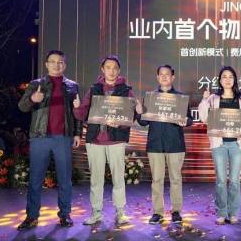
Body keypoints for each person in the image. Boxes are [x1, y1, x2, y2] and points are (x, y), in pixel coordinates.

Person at [16, 49, 82, 230]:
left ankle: (65, 215)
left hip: (63, 138)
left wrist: (77, 133)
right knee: (36, 178)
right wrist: (33, 99)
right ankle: (32, 216)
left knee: (65, 179)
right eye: (52, 61)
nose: (56, 65)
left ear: (64, 65)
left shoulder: (72, 86)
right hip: (40, 137)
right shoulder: (36, 84)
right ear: (46, 64)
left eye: (60, 62)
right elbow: (22, 106)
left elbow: (77, 113)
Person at [73, 55, 140, 227]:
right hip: (95, 139)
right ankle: (96, 213)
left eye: (115, 68)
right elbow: (82, 114)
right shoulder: (94, 89)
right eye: (108, 67)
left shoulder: (126, 90)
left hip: (116, 140)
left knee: (118, 178)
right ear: (102, 69)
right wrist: (77, 107)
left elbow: (131, 117)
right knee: (96, 179)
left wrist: (122, 122)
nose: (111, 71)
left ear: (119, 70)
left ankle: (120, 212)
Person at [138, 65, 193, 225]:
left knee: (176, 179)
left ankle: (176, 211)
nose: (164, 77)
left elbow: (189, 119)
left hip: (175, 144)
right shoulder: (151, 97)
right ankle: (157, 212)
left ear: (172, 77)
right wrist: (139, 112)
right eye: (161, 74)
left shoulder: (180, 98)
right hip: (155, 144)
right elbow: (143, 122)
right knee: (157, 180)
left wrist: (186, 121)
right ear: (157, 77)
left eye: (167, 74)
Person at [198, 66, 241, 225]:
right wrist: (204, 100)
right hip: (219, 144)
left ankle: (234, 212)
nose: (227, 79)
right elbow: (203, 118)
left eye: (230, 76)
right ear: (220, 80)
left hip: (237, 144)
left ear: (234, 79)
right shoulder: (213, 98)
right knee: (221, 180)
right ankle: (222, 212)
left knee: (234, 180)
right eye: (224, 76)